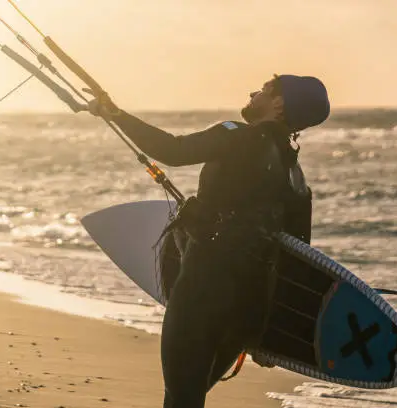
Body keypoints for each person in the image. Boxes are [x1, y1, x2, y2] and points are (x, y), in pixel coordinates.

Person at [86, 74, 330, 408]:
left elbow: (172, 150)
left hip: (205, 286)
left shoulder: (238, 135)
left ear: (279, 103)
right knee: (190, 397)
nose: (253, 91)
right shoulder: (296, 176)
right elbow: (298, 260)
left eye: (264, 89)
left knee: (181, 399)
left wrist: (115, 114)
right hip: (249, 309)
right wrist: (272, 334)